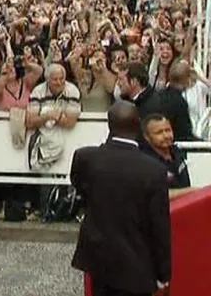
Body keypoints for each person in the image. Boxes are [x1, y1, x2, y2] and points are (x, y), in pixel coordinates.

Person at [70, 101, 171, 296]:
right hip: (136, 264)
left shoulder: (85, 158)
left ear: (109, 124)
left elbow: (81, 188)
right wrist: (163, 275)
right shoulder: (153, 170)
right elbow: (159, 227)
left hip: (98, 260)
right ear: (138, 125)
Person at [141, 113, 191, 189]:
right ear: (147, 136)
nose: (166, 136)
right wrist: (190, 190)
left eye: (168, 130)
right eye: (159, 132)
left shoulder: (177, 152)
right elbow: (155, 193)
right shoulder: (146, 161)